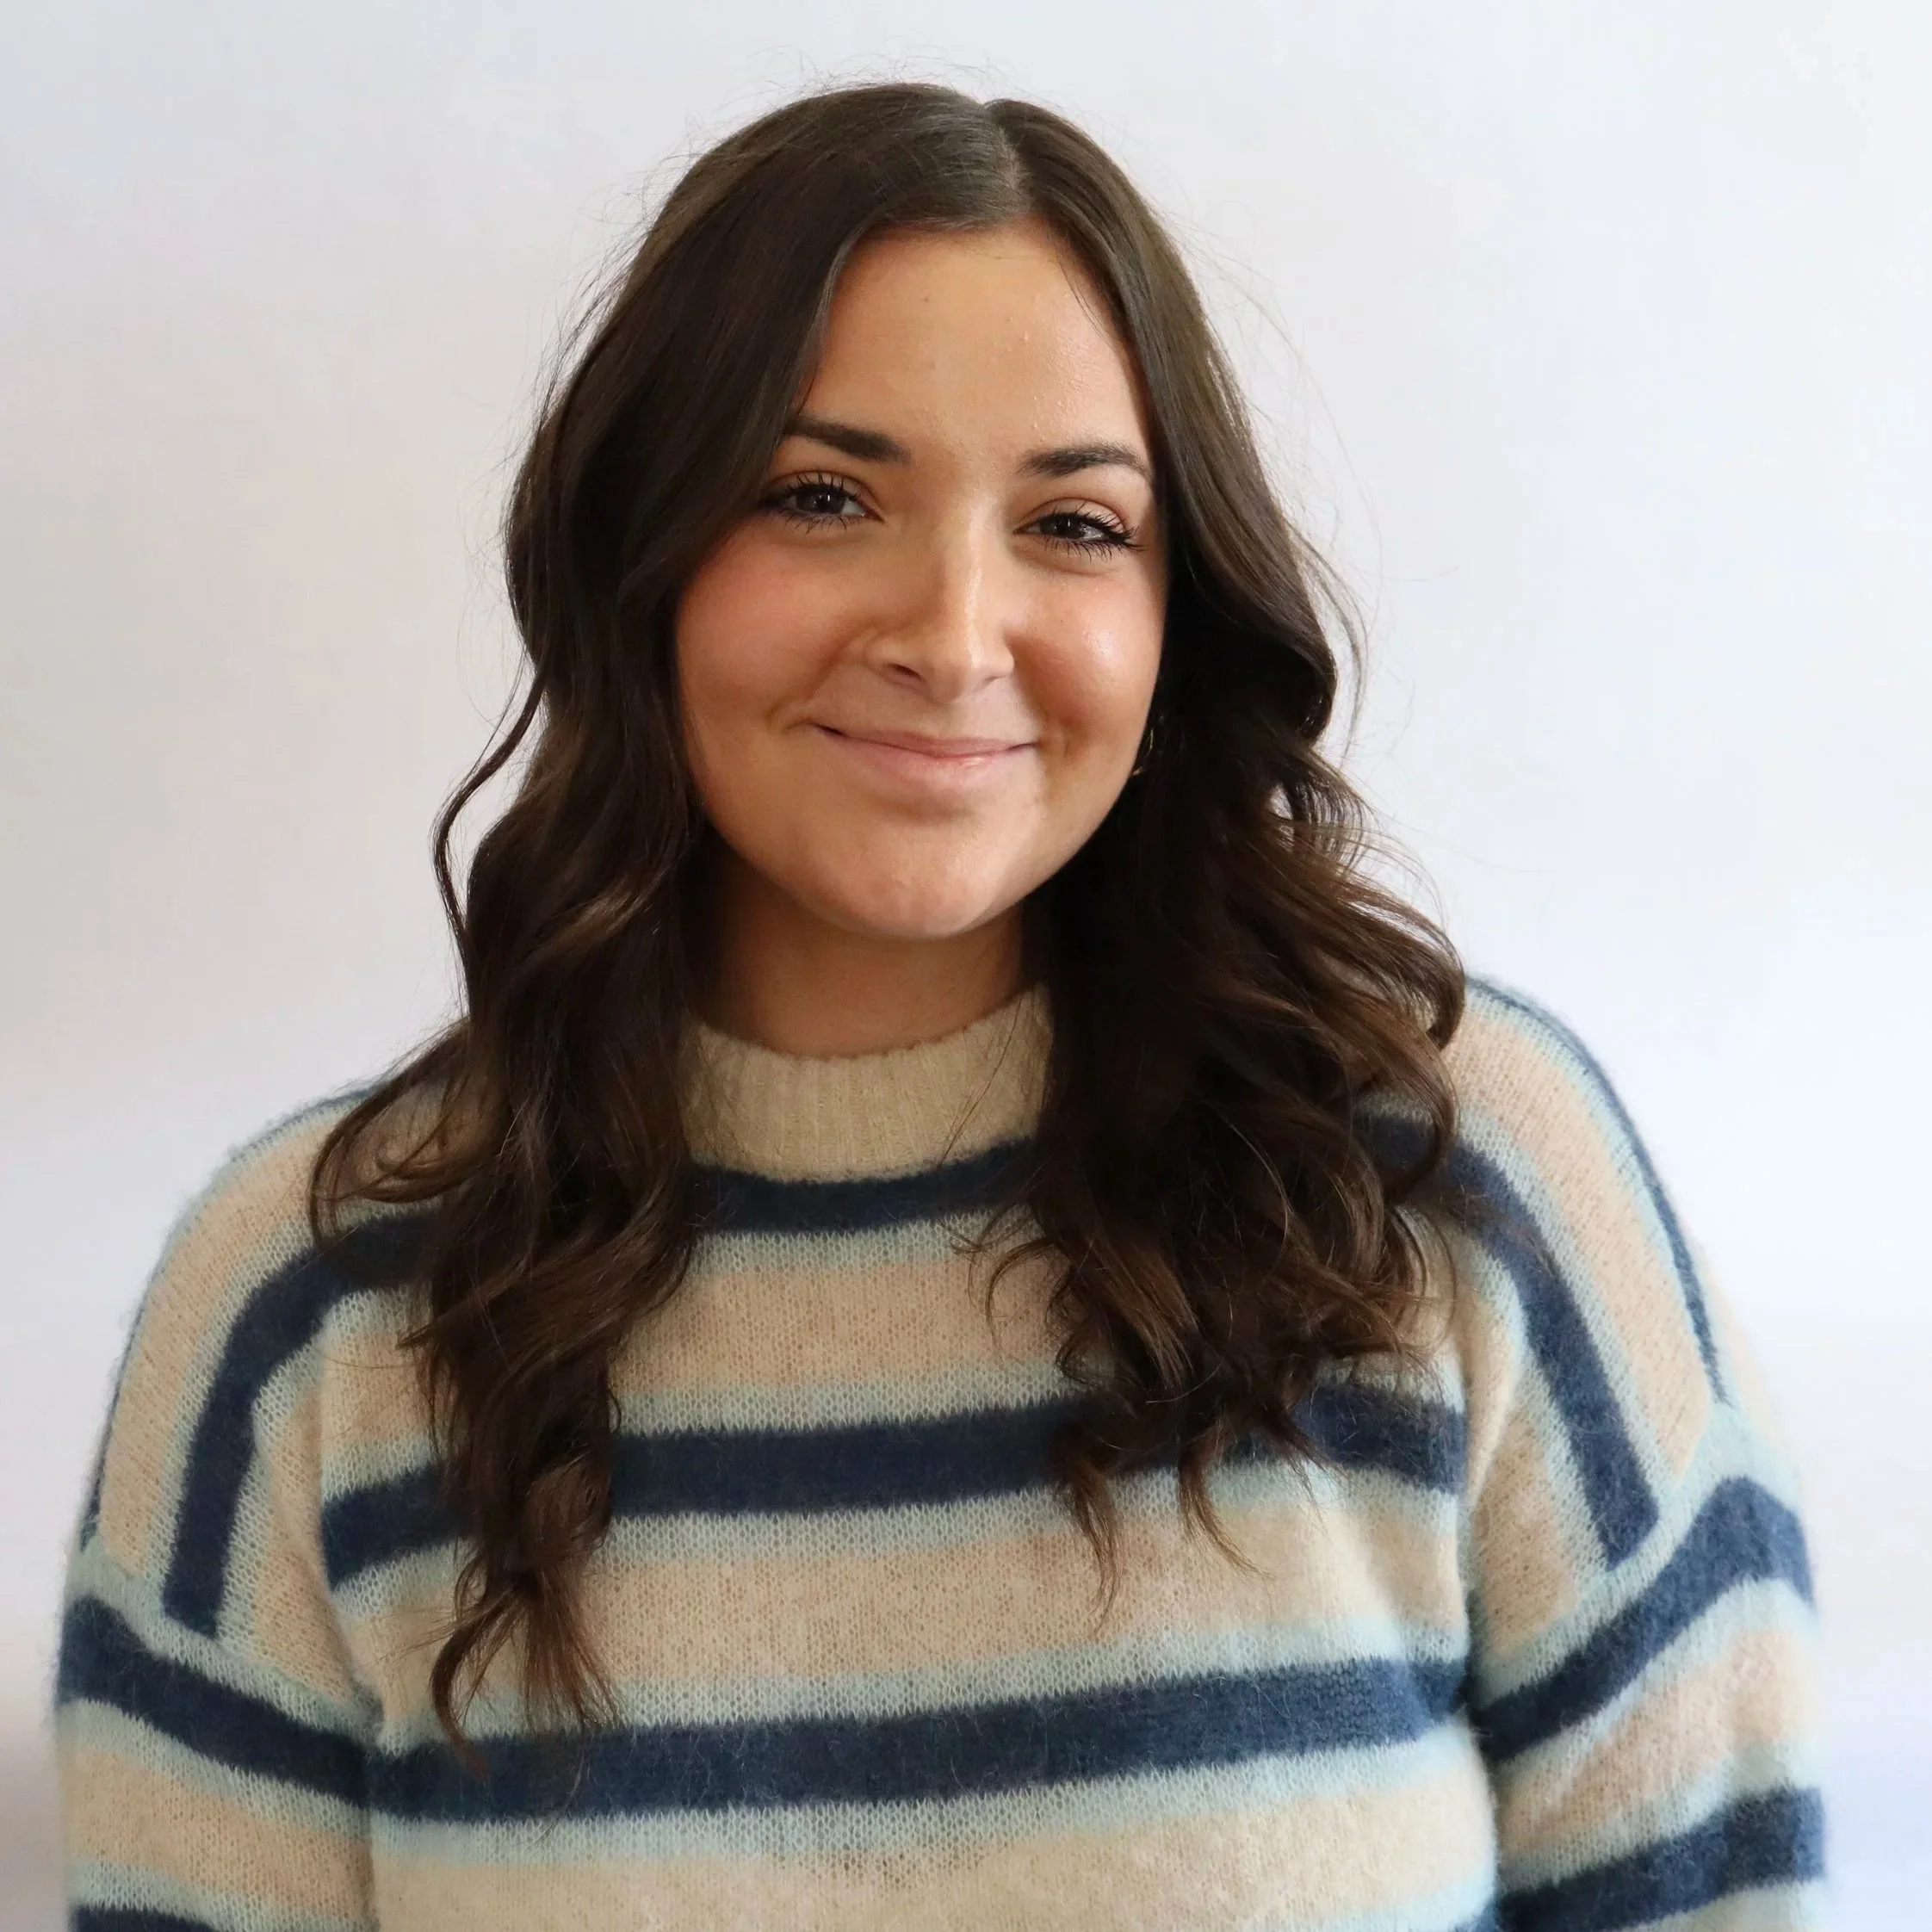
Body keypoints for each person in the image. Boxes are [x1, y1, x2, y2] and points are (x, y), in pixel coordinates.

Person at [53, 82, 1822, 1931]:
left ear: (1176, 608)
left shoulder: (1459, 1189)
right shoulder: (314, 1309)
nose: (955, 634)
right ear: (639, 556)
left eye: (1073, 526)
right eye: (823, 497)